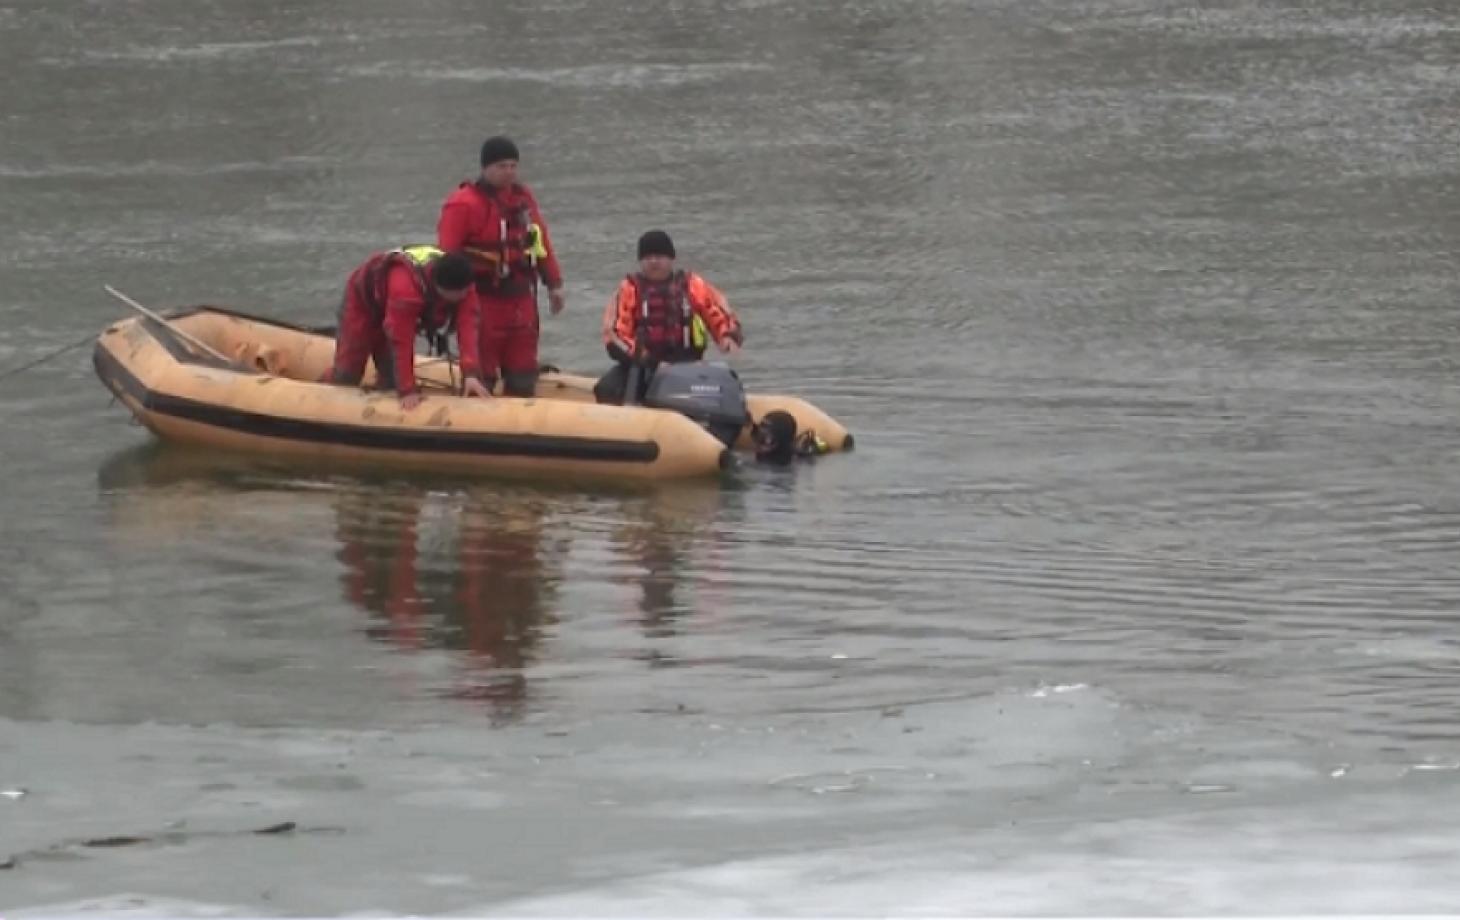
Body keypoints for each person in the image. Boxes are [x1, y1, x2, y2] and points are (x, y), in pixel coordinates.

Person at [437, 135, 565, 398]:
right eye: (501, 166)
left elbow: (540, 241)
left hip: (521, 300)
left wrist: (554, 284)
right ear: (485, 168)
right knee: (482, 375)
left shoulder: (523, 198)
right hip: (483, 300)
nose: (509, 172)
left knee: (522, 374)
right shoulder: (463, 203)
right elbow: (447, 258)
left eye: (513, 166)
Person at [326, 245, 491, 410]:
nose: (463, 298)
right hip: (363, 305)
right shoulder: (406, 291)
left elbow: (468, 329)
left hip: (391, 305)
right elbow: (401, 340)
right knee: (347, 374)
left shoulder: (464, 287)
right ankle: (324, 392)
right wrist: (407, 389)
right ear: (440, 288)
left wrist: (471, 374)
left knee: (390, 378)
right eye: (458, 296)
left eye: (465, 293)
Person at [594, 229, 743, 405]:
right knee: (607, 388)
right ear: (640, 261)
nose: (654, 261)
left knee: (726, 383)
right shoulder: (628, 289)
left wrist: (727, 336)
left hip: (688, 365)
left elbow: (717, 311)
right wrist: (652, 363)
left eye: (659, 256)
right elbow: (614, 335)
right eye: (648, 257)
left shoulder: (692, 285)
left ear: (671, 258)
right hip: (645, 367)